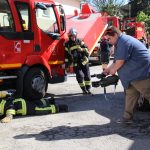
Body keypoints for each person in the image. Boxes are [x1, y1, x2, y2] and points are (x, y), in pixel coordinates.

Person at [103, 26, 150, 124]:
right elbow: (116, 61)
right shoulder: (120, 42)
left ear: (115, 35)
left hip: (141, 74)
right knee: (130, 96)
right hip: (132, 77)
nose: (108, 41)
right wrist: (108, 70)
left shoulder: (123, 42)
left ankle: (127, 118)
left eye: (109, 39)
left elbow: (120, 62)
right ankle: (127, 118)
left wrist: (112, 72)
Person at [0, 91, 68, 123]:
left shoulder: (3, 105)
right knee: (40, 106)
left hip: (24, 105)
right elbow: (9, 103)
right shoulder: (3, 104)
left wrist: (9, 116)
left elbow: (10, 107)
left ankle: (54, 104)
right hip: (24, 105)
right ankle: (54, 104)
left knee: (40, 106)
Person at [64, 28, 92, 94]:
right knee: (80, 76)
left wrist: (82, 49)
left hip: (84, 61)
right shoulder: (67, 44)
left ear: (76, 36)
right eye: (71, 36)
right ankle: (83, 89)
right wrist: (67, 65)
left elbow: (87, 49)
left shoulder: (80, 41)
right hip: (76, 62)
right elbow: (66, 55)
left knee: (87, 75)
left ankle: (88, 89)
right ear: (69, 36)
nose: (73, 37)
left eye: (74, 36)